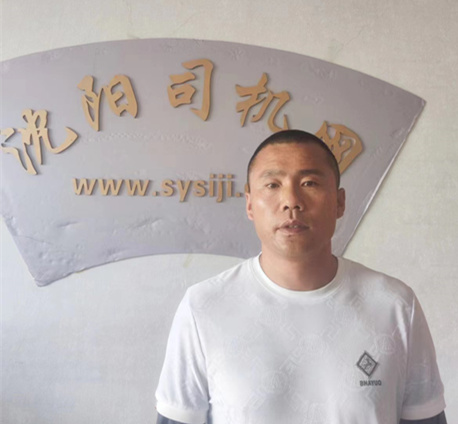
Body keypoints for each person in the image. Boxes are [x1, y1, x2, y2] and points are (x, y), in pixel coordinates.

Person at [155, 130, 446, 424]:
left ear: (340, 202)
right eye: (272, 185)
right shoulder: (204, 307)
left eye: (309, 183)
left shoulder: (394, 305)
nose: (291, 201)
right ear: (249, 204)